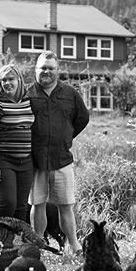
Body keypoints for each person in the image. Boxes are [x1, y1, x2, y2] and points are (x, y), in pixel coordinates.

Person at [27, 51, 89, 254]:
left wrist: (66, 137)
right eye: (42, 68)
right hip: (35, 161)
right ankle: (38, 245)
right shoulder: (27, 94)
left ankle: (75, 245)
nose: (46, 71)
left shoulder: (70, 94)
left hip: (62, 160)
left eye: (50, 68)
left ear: (57, 71)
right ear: (36, 70)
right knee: (38, 204)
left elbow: (82, 118)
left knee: (66, 205)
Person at [0, 64, 35, 220]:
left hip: (26, 161)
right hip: (3, 161)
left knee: (21, 207)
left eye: (10, 79)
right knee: (8, 203)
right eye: (3, 80)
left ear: (19, 79)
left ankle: (15, 243)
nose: (7, 83)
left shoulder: (29, 102)